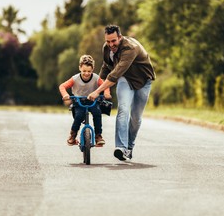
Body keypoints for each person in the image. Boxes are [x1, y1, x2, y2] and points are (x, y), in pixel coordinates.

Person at [87, 24, 156, 161]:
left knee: (136, 118)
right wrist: (95, 87)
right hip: (126, 79)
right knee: (123, 109)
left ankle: (129, 148)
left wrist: (97, 91)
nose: (111, 44)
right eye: (108, 41)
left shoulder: (130, 48)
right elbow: (106, 67)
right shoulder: (106, 48)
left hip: (143, 81)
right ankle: (121, 147)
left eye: (114, 41)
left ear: (120, 37)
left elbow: (114, 75)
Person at [59, 54, 111, 147]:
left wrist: (106, 93)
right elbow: (62, 86)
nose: (86, 73)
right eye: (84, 71)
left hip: (92, 101)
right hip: (79, 101)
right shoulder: (75, 79)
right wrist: (65, 95)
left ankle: (98, 136)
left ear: (93, 69)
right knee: (78, 116)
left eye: (89, 71)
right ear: (80, 68)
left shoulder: (96, 78)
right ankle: (72, 136)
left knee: (97, 113)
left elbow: (105, 85)